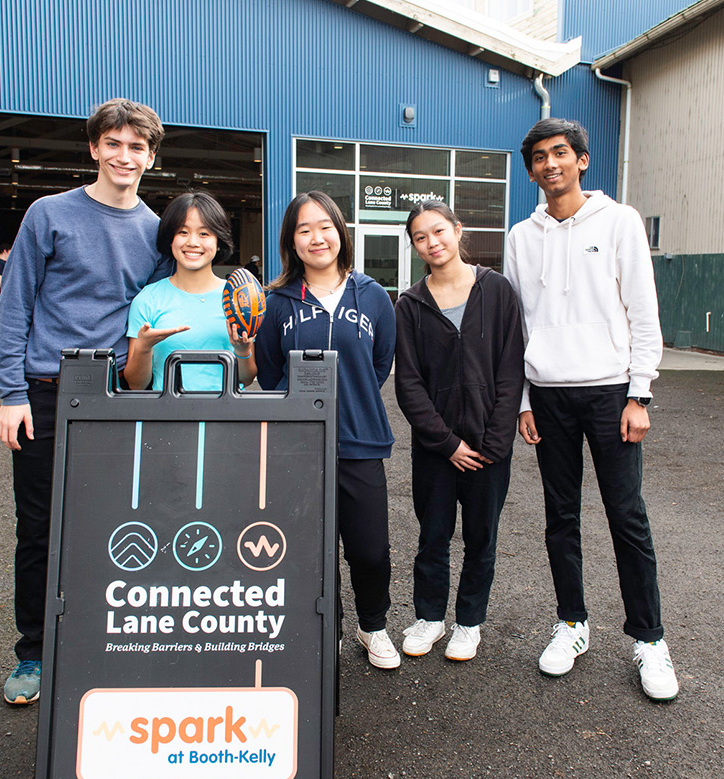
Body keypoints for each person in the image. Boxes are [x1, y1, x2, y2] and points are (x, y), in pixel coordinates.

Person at [0, 98, 169, 704]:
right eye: (113, 144)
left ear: (150, 157)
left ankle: (99, 641)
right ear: (94, 149)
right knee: (39, 530)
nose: (125, 156)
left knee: (114, 527)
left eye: (137, 147)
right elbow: (15, 306)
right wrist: (11, 393)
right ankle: (34, 654)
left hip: (117, 394)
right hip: (45, 391)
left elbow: (157, 310)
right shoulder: (49, 214)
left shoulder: (154, 231)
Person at [504, 118, 679, 700]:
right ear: (530, 169)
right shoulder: (520, 237)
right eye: (538, 157)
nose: (549, 164)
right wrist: (526, 398)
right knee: (561, 518)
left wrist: (639, 392)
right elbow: (517, 327)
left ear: (582, 160)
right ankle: (572, 624)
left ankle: (649, 639)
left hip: (610, 393)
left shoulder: (620, 221)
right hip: (548, 396)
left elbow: (642, 311)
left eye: (560, 153)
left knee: (626, 517)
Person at [255, 190, 400, 669]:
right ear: (291, 242)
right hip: (299, 448)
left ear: (340, 232)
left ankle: (372, 626)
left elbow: (378, 366)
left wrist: (347, 401)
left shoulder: (373, 295)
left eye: (325, 226)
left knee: (370, 551)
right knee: (311, 550)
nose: (317, 237)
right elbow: (270, 372)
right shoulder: (277, 302)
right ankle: (326, 628)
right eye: (304, 229)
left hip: (360, 442)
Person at [395, 200, 524, 662]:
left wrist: (493, 442)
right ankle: (429, 618)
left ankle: (469, 623)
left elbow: (511, 372)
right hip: (436, 449)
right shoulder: (410, 304)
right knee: (432, 536)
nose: (432, 243)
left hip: (490, 448)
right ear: (414, 247)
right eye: (420, 238)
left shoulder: (497, 291)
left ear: (457, 230)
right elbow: (408, 384)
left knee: (481, 538)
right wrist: (447, 443)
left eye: (438, 231)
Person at [125, 190, 256, 391]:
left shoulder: (238, 299)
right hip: (168, 417)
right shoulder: (148, 299)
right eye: (182, 232)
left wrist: (243, 349)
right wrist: (143, 348)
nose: (192, 242)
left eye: (204, 233)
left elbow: (246, 379)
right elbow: (136, 385)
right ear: (170, 239)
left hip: (226, 417)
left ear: (218, 241)